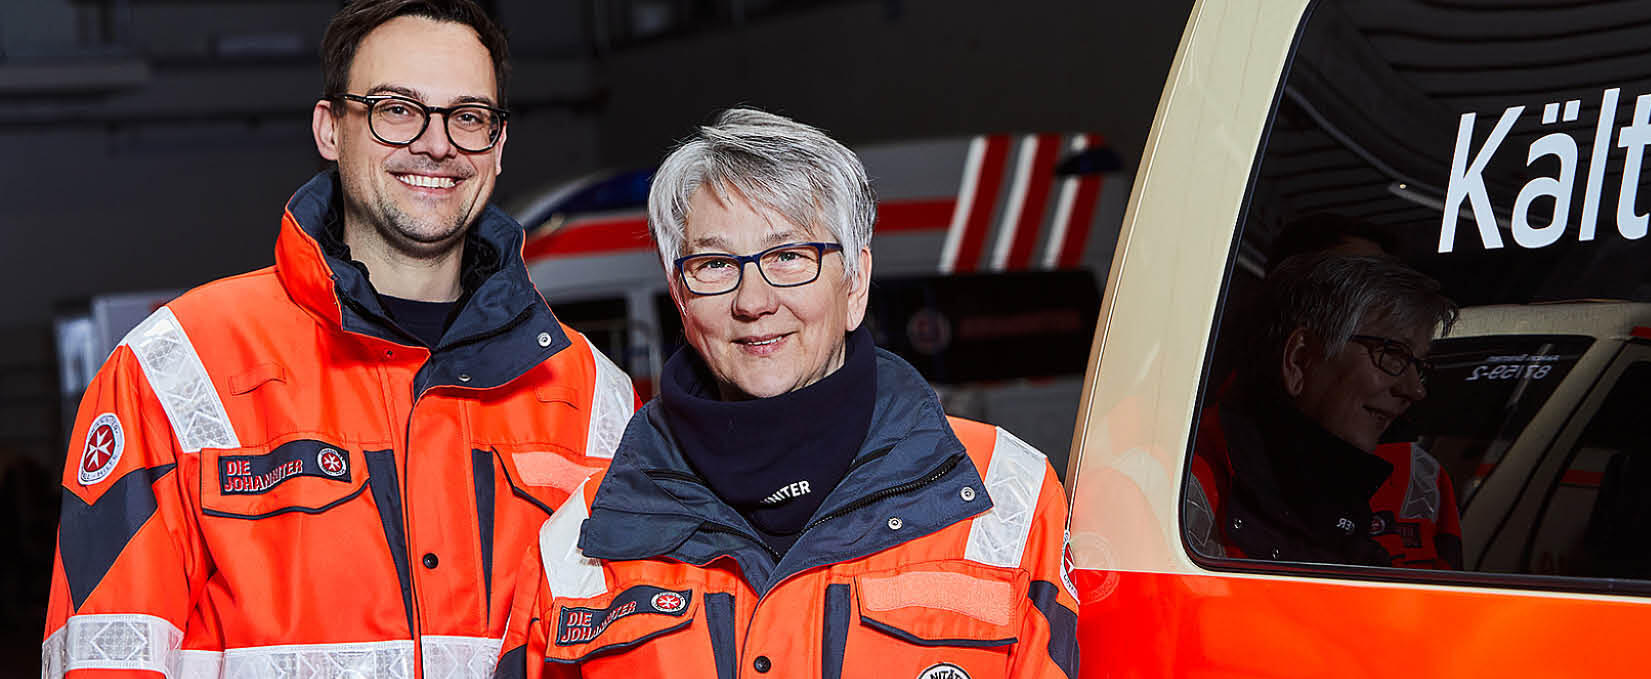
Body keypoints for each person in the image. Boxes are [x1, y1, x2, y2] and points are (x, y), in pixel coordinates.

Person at [41, 2, 637, 677]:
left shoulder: (594, 395)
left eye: (468, 116)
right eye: (396, 109)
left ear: (498, 146)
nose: (436, 143)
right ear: (329, 129)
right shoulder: (173, 370)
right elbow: (104, 657)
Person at [494, 108, 1079, 678]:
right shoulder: (584, 539)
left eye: (789, 257)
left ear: (856, 284)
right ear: (680, 297)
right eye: (717, 264)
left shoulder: (1009, 496)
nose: (753, 301)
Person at [1185, 253, 1462, 568]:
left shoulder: (1345, 495)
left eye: (1420, 366)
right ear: (1299, 359)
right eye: (1393, 353)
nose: (1416, 390)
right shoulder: (1185, 494)